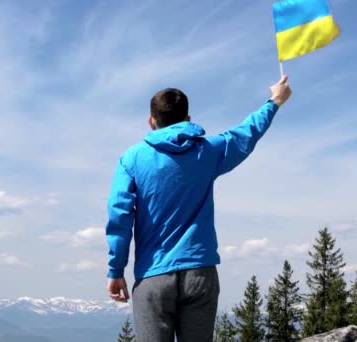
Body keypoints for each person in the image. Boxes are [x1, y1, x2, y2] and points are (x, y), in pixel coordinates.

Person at [105, 75, 292, 342]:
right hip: (200, 273)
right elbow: (246, 133)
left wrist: (116, 270)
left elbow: (120, 216)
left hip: (153, 276)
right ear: (188, 119)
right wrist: (275, 101)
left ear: (151, 120)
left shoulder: (131, 159)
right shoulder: (208, 150)